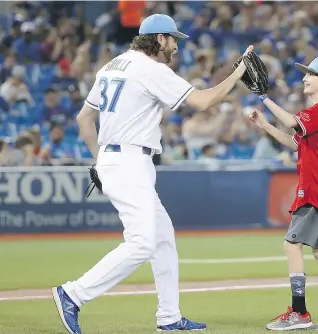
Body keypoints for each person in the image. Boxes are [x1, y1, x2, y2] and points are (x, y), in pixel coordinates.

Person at [51, 13, 253, 334]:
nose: (175, 46)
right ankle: (73, 293)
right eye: (173, 39)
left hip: (117, 159)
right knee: (143, 242)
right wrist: (237, 73)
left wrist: (99, 162)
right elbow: (203, 101)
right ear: (159, 39)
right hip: (130, 160)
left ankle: (169, 318)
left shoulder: (112, 65)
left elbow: (84, 119)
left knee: (162, 239)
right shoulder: (151, 68)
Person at [248, 56, 318, 330]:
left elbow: (293, 123)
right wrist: (266, 126)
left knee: (291, 245)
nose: (305, 78)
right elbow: (295, 142)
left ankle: (299, 313)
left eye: (311, 74)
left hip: (315, 187)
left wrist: (265, 99)